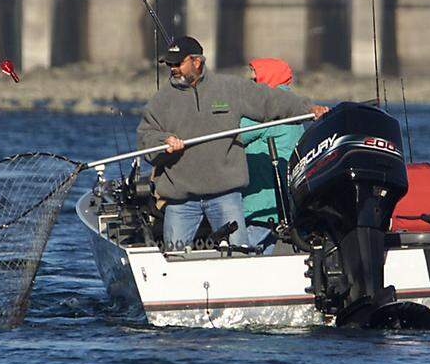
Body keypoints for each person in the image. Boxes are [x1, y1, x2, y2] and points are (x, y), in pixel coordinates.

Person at [136, 36, 329, 251]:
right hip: (181, 199)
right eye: (169, 64)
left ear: (197, 62)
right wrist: (163, 141)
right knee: (173, 258)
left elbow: (270, 100)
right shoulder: (161, 101)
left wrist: (308, 109)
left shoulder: (230, 88)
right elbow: (145, 137)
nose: (173, 69)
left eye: (178, 63)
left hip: (225, 195)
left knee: (239, 255)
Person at [239, 58, 305, 253]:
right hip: (283, 201)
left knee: (245, 253)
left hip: (262, 202)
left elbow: (234, 135)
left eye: (254, 79)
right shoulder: (291, 105)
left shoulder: (266, 108)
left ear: (268, 78)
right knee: (264, 253)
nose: (250, 84)